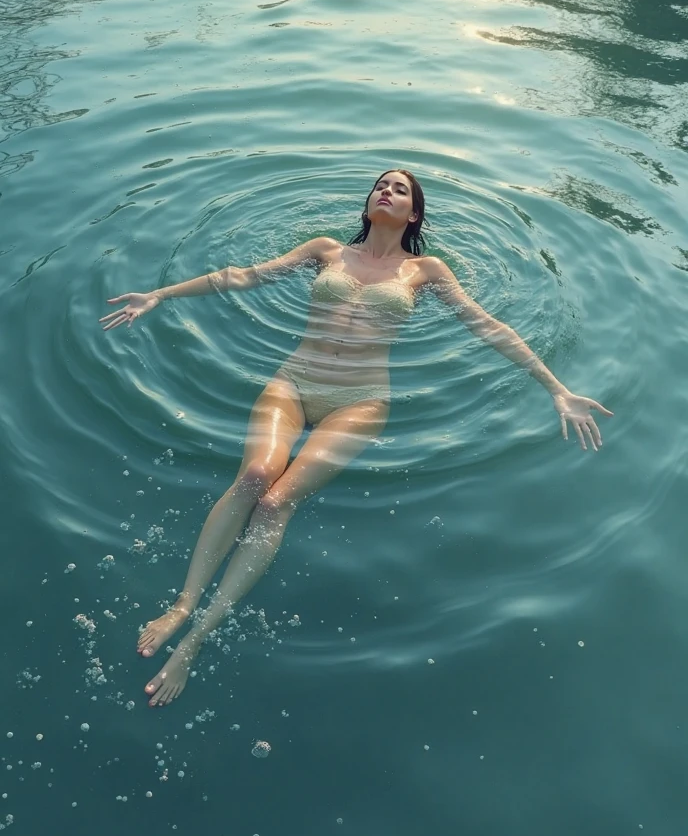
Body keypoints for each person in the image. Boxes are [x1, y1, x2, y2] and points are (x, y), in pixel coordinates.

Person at [100, 169, 613, 706]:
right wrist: (159, 294)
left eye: (399, 189)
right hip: (293, 382)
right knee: (254, 475)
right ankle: (182, 605)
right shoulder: (326, 251)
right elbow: (243, 275)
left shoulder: (426, 271)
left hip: (361, 400)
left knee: (276, 502)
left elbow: (488, 327)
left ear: (413, 213)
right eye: (380, 185)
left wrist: (556, 389)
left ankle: (197, 637)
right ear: (368, 202)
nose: (385, 191)